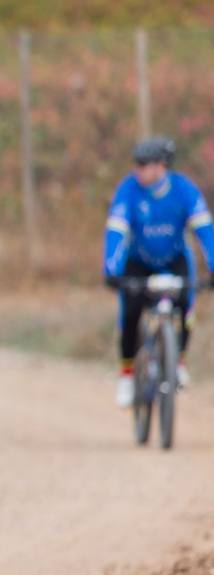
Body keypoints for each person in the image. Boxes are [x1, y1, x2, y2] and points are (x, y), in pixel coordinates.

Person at [103, 136, 214, 406]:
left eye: (144, 165)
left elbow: (205, 231)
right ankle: (127, 375)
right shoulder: (128, 189)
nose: (137, 170)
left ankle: (178, 362)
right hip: (138, 261)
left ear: (161, 166)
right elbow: (117, 231)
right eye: (136, 164)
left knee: (186, 308)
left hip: (174, 259)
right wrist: (111, 269)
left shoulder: (184, 190)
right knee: (130, 312)